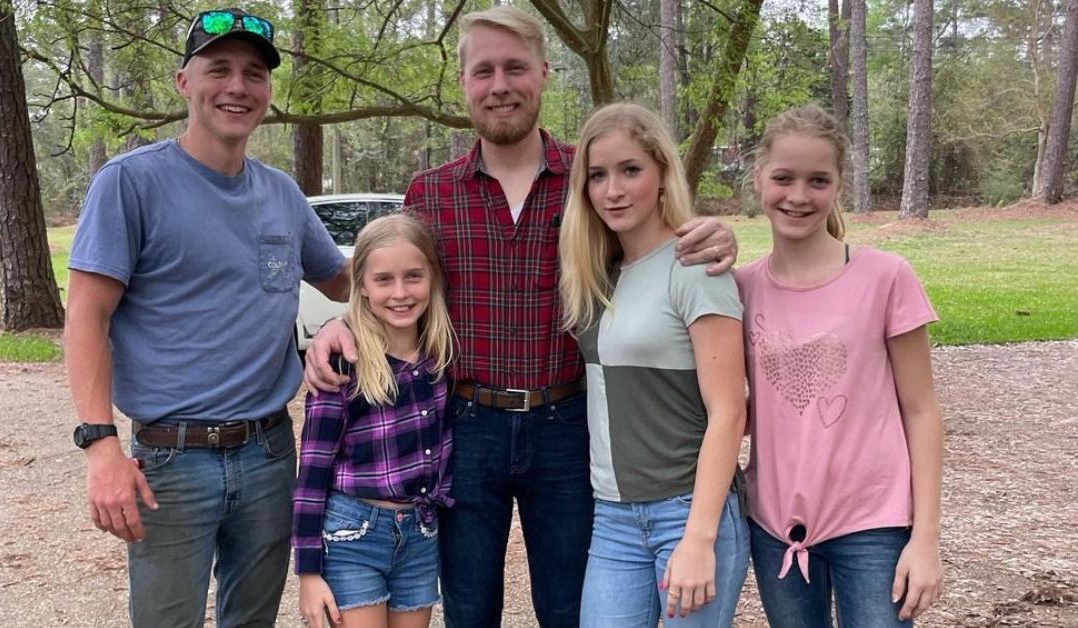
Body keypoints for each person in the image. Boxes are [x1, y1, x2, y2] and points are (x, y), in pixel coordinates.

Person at [303, 7, 738, 627]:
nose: (499, 84)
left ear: (544, 73)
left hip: (570, 424)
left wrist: (718, 237)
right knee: (469, 607)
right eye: (484, 70)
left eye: (514, 68)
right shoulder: (431, 193)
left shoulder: (588, 182)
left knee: (568, 607)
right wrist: (342, 325)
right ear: (464, 82)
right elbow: (391, 285)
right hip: (463, 420)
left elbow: (657, 249)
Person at [64, 8, 350, 627]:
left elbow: (348, 282)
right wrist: (99, 446)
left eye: (254, 74)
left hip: (271, 453)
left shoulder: (282, 195)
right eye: (218, 69)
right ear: (183, 82)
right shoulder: (130, 183)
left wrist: (344, 321)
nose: (237, 87)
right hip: (171, 461)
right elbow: (85, 318)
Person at [737, 104, 944, 627]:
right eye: (783, 178)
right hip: (774, 525)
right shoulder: (739, 288)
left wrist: (926, 539)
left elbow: (921, 411)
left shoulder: (886, 277)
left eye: (818, 180)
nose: (799, 196)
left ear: (839, 185)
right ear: (759, 178)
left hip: (873, 525)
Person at [558, 103, 749, 627]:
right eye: (598, 175)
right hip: (614, 516)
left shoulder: (696, 268)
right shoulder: (597, 275)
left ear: (663, 173)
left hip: (686, 510)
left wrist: (698, 538)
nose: (613, 190)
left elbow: (730, 410)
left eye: (631, 170)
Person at [294, 214, 456, 628]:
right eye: (383, 279)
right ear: (361, 286)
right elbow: (312, 474)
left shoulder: (441, 355)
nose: (400, 293)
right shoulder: (343, 363)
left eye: (413, 276)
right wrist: (308, 572)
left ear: (433, 279)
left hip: (420, 535)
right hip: (354, 536)